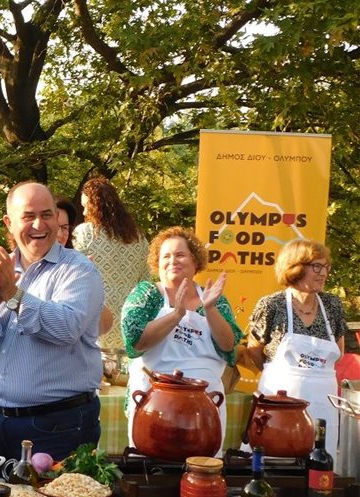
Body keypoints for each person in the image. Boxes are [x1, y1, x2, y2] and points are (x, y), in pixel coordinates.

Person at [0, 182, 105, 461]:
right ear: (9, 223)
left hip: (60, 424)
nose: (39, 224)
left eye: (47, 215)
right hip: (1, 421)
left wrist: (12, 294)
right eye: (28, 216)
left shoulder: (79, 270)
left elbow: (66, 327)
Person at [120, 227, 243, 449]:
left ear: (195, 261)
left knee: (200, 471)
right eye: (165, 256)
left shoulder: (215, 300)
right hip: (154, 404)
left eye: (180, 255)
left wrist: (211, 310)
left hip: (203, 406)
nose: (172, 261)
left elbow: (228, 345)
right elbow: (135, 342)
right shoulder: (147, 293)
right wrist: (176, 315)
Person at [247, 239, 346, 466]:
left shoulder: (332, 305)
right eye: (316, 267)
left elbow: (339, 351)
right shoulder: (272, 304)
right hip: (279, 405)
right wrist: (280, 373)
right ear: (295, 267)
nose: (324, 273)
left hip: (323, 404)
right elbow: (254, 349)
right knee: (275, 463)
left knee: (320, 464)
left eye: (326, 267)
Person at [73, 177, 149, 351]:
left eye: (86, 206)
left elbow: (74, 279)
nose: (84, 213)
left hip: (97, 318)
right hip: (128, 319)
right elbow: (144, 283)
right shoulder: (138, 237)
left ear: (95, 206)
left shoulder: (85, 234)